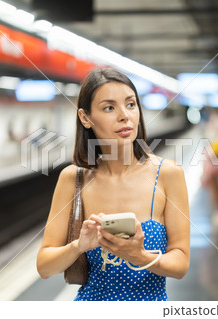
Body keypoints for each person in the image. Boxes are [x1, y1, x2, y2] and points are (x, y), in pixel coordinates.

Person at [36, 69, 190, 301]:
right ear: (85, 118)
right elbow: (44, 267)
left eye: (130, 104)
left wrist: (141, 257)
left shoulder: (168, 174)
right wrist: (79, 245)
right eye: (109, 108)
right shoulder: (73, 179)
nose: (124, 116)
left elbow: (181, 263)